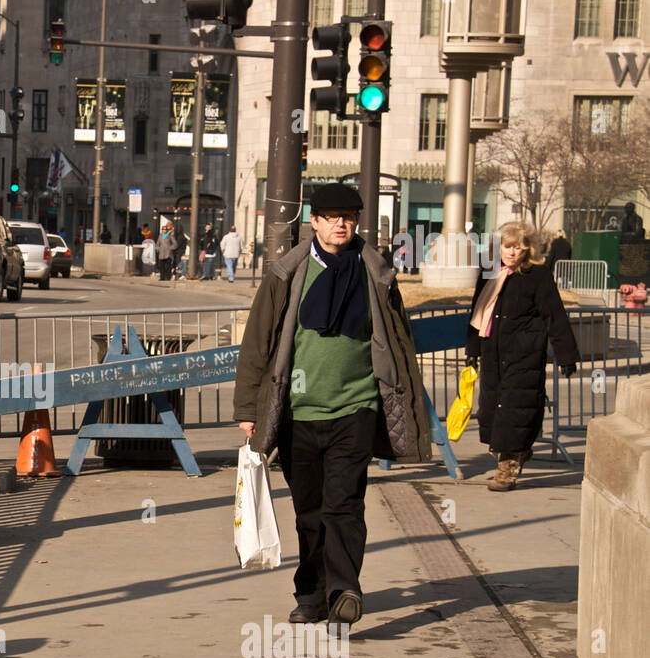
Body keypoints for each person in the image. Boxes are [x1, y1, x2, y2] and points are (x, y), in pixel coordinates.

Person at [234, 183, 431, 627]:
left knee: (344, 503)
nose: (341, 224)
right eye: (331, 216)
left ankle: (344, 590)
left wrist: (401, 402)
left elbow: (398, 343)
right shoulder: (286, 274)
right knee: (309, 512)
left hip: (356, 409)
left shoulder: (376, 273)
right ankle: (311, 595)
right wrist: (249, 408)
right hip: (298, 412)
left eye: (348, 217)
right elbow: (257, 344)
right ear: (315, 222)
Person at [465, 222, 579, 492]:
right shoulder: (489, 273)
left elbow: (554, 315)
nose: (513, 252)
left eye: (518, 247)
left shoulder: (537, 275)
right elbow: (477, 313)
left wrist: (566, 355)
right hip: (493, 351)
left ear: (527, 249)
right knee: (492, 409)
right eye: (507, 246)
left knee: (515, 409)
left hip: (524, 354)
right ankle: (514, 453)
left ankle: (508, 468)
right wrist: (472, 350)